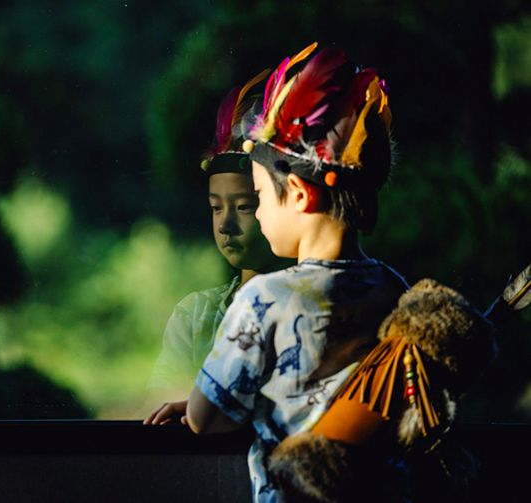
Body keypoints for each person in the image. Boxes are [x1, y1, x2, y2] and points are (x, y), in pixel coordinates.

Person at [145, 43, 410, 502]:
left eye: (259, 197)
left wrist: (202, 406)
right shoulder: (394, 289)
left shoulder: (266, 298)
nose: (260, 213)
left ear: (300, 195)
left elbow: (206, 418)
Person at [140, 74, 274, 413]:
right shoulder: (196, 317)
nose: (225, 225)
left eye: (244, 207)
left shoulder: (312, 307)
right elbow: (159, 410)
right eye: (216, 208)